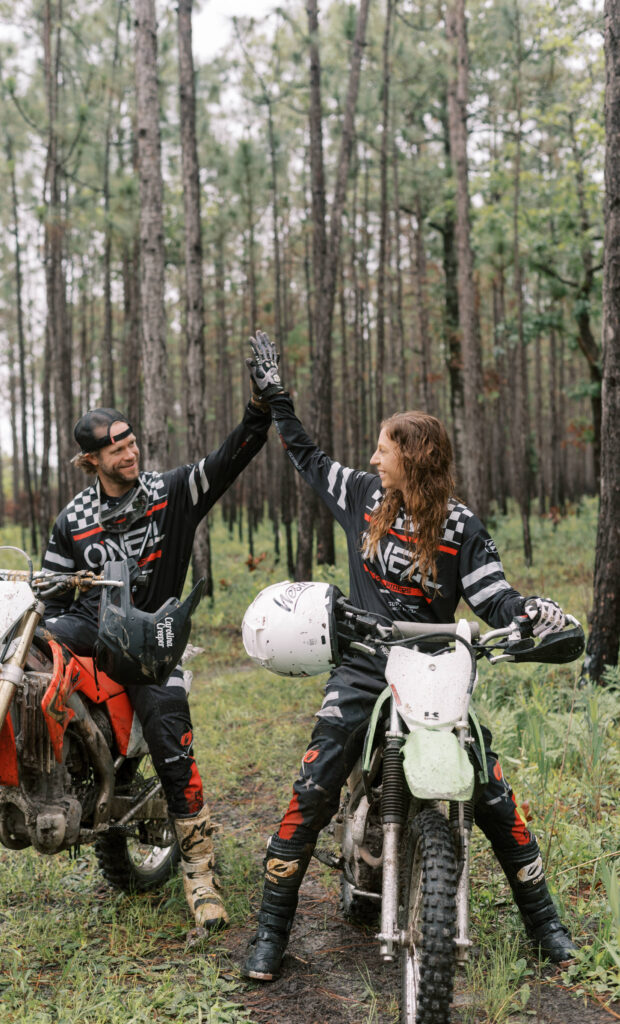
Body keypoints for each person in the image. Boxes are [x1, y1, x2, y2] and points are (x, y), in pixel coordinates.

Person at [242, 329, 577, 980]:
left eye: (383, 449)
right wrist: (277, 397)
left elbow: (493, 596)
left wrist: (529, 612)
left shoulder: (461, 527)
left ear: (414, 457)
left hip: (437, 666)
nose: (372, 458)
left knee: (492, 794)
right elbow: (307, 456)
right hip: (366, 663)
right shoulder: (362, 500)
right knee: (312, 787)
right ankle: (271, 930)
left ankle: (547, 924)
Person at [42, 395, 271, 931]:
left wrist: (258, 413)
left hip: (150, 641)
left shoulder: (169, 492)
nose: (130, 451)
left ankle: (198, 870)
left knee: (167, 722)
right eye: (116, 446)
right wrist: (50, 625)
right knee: (36, 648)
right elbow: (53, 595)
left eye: (131, 440)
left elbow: (227, 460)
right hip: (94, 628)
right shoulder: (72, 519)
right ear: (91, 460)